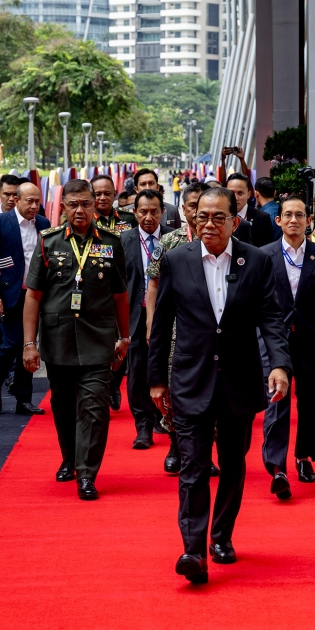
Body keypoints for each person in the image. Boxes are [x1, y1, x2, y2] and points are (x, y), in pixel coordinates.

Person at [148, 186, 291, 584]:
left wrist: (280, 365)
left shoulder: (257, 260)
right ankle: (193, 551)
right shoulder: (176, 259)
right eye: (201, 216)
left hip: (238, 379)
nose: (208, 224)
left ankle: (221, 536)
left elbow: (271, 317)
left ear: (235, 221)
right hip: (190, 378)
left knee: (232, 464)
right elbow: (161, 323)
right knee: (193, 466)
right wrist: (155, 380)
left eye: (217, 217)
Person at [22, 179, 130, 499]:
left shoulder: (111, 242)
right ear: (63, 207)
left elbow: (120, 295)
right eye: (73, 204)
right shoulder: (49, 241)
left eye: (86, 203)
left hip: (98, 338)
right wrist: (29, 343)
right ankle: (69, 458)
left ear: (95, 204)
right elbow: (33, 296)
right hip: (59, 339)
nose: (80, 210)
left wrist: (124, 336)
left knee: (94, 408)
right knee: (64, 406)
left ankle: (87, 474)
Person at [259, 196, 315, 499]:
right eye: (287, 215)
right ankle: (277, 467)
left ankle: (303, 455)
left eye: (299, 215)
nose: (293, 220)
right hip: (275, 341)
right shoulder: (264, 255)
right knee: (276, 402)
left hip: (312, 339)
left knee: (311, 402)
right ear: (278, 220)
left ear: (309, 221)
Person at [144, 182, 210, 474]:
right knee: (172, 389)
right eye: (192, 206)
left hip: (210, 330)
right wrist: (151, 322)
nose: (197, 212)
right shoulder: (170, 242)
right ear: (183, 209)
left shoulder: (222, 240)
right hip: (174, 328)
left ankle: (205, 451)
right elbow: (153, 283)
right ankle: (175, 443)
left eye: (202, 205)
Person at [0, 182, 49, 416]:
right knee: (11, 343)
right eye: (29, 201)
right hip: (9, 292)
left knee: (28, 344)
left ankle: (24, 399)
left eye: (37, 201)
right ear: (17, 200)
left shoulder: (43, 224)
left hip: (35, 293)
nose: (34, 206)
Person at [121, 189, 173, 449]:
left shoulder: (174, 238)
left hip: (168, 314)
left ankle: (164, 418)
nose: (149, 217)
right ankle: (143, 425)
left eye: (154, 211)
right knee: (137, 369)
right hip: (135, 314)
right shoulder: (123, 241)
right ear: (134, 212)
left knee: (165, 365)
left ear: (163, 212)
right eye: (143, 211)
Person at [91, 173, 132, 411]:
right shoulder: (85, 220)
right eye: (97, 194)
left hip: (124, 289)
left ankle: (113, 384)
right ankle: (100, 387)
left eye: (107, 193)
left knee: (123, 339)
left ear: (115, 194)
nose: (102, 197)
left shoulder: (128, 219)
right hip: (96, 292)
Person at [226, 172, 275, 248]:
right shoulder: (220, 217)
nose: (235, 198)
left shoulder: (262, 218)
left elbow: (268, 248)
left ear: (248, 194)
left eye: (240, 193)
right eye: (231, 193)